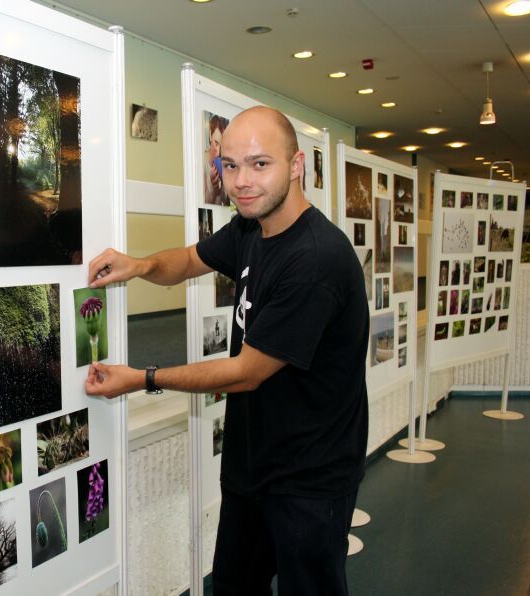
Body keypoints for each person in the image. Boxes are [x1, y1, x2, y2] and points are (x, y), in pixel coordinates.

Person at [85, 105, 369, 595]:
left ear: (296, 165)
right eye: (231, 165)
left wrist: (143, 378)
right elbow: (190, 259)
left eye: (260, 164)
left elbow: (246, 372)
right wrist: (139, 265)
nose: (242, 181)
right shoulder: (250, 227)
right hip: (252, 464)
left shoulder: (316, 259)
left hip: (311, 476)